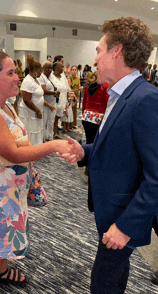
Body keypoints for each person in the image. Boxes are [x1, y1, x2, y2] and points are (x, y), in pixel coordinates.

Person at [59, 16, 158, 294]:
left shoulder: (144, 98)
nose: (95, 59)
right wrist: (84, 151)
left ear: (117, 51)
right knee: (112, 276)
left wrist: (126, 227)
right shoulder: (119, 95)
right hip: (111, 211)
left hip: (124, 216)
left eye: (99, 50)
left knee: (102, 283)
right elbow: (119, 150)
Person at [0, 50, 75, 294]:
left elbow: (15, 147)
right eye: (11, 73)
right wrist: (53, 145)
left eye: (15, 72)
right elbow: (14, 153)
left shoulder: (3, 106)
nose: (17, 77)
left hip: (9, 185)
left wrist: (21, 148)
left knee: (4, 238)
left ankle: (4, 272)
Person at [19, 55, 53, 145]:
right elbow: (27, 100)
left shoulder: (35, 80)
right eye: (40, 71)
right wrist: (37, 110)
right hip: (30, 112)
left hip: (36, 111)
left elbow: (38, 97)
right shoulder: (28, 81)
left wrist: (48, 105)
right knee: (31, 131)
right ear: (34, 71)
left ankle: (35, 148)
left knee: (36, 131)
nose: (41, 73)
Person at [82, 71, 109, 174]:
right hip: (98, 118)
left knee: (89, 141)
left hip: (87, 117)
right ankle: (93, 166)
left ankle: (87, 165)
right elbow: (107, 103)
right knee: (97, 144)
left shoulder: (87, 86)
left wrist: (85, 114)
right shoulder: (105, 87)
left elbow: (84, 102)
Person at [38, 61, 59, 141]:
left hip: (53, 102)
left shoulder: (51, 76)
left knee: (51, 121)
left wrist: (56, 92)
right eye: (48, 68)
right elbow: (43, 90)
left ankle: (49, 137)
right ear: (43, 69)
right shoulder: (41, 77)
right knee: (44, 121)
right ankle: (42, 138)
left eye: (51, 68)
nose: (50, 70)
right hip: (45, 104)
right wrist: (54, 92)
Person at [50, 62, 71, 139]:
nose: (63, 69)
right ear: (56, 68)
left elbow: (67, 88)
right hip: (53, 102)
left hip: (62, 101)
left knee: (57, 119)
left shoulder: (63, 76)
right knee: (51, 119)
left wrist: (68, 97)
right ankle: (49, 135)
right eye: (61, 67)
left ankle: (54, 134)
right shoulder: (51, 76)